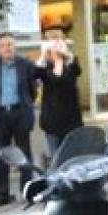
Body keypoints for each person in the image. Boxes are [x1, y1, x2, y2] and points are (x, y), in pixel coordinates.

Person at [0, 32, 40, 207]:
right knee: (2, 155)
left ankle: (27, 191)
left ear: (15, 46)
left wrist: (26, 106)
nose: (7, 48)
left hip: (20, 113)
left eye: (10, 45)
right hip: (1, 115)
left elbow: (33, 91)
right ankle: (2, 194)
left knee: (24, 154)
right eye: (3, 45)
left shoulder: (26, 66)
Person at [36, 29, 82, 158]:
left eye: (60, 41)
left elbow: (77, 71)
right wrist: (44, 56)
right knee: (56, 157)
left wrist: (67, 56)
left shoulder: (71, 64)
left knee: (71, 157)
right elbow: (37, 74)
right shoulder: (44, 67)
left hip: (71, 120)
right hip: (52, 121)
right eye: (53, 42)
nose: (57, 46)